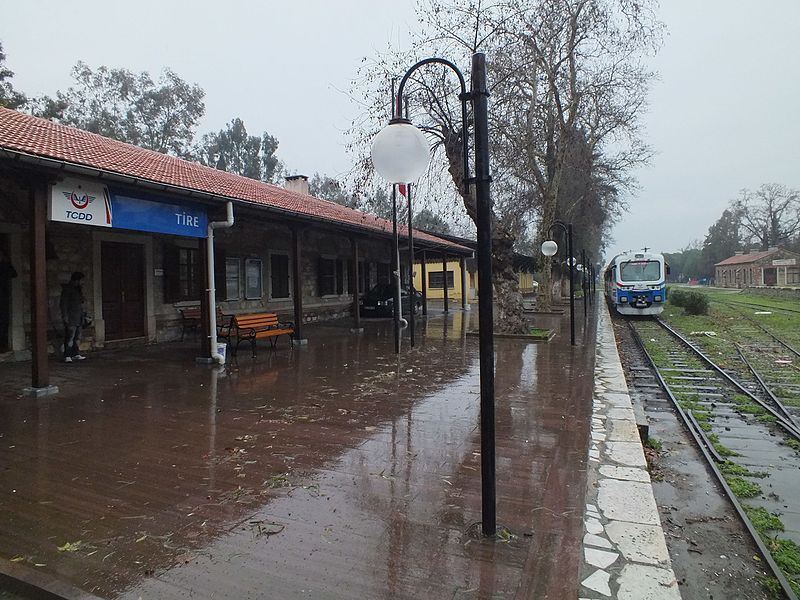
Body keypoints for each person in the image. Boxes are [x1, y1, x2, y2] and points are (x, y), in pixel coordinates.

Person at [60, 271, 86, 362]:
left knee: (77, 337)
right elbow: (63, 304)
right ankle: (67, 355)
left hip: (79, 317)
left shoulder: (78, 289)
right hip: (71, 317)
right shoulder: (68, 289)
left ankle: (75, 353)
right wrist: (65, 316)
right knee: (70, 337)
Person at [0, 248, 17, 352]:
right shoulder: (5, 266)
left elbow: (14, 274)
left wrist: (7, 263)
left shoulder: (5, 266)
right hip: (3, 295)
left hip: (3, 296)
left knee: (4, 320)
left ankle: (2, 342)